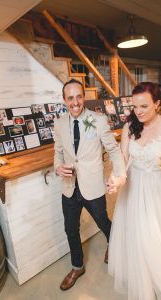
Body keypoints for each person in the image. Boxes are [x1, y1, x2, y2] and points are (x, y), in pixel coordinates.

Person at [107, 82, 161, 300]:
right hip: (134, 188)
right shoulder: (130, 127)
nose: (138, 112)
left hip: (160, 190)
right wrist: (117, 179)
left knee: (157, 236)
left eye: (144, 107)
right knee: (138, 235)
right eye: (135, 106)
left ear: (157, 104)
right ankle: (144, 279)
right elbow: (123, 159)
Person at [54, 79, 126, 291]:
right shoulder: (58, 123)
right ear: (64, 100)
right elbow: (57, 152)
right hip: (69, 187)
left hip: (92, 186)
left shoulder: (99, 120)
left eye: (79, 96)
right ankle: (77, 266)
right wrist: (58, 167)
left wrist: (119, 174)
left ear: (83, 97)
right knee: (70, 229)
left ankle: (113, 244)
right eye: (70, 98)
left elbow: (113, 150)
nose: (75, 102)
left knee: (103, 221)